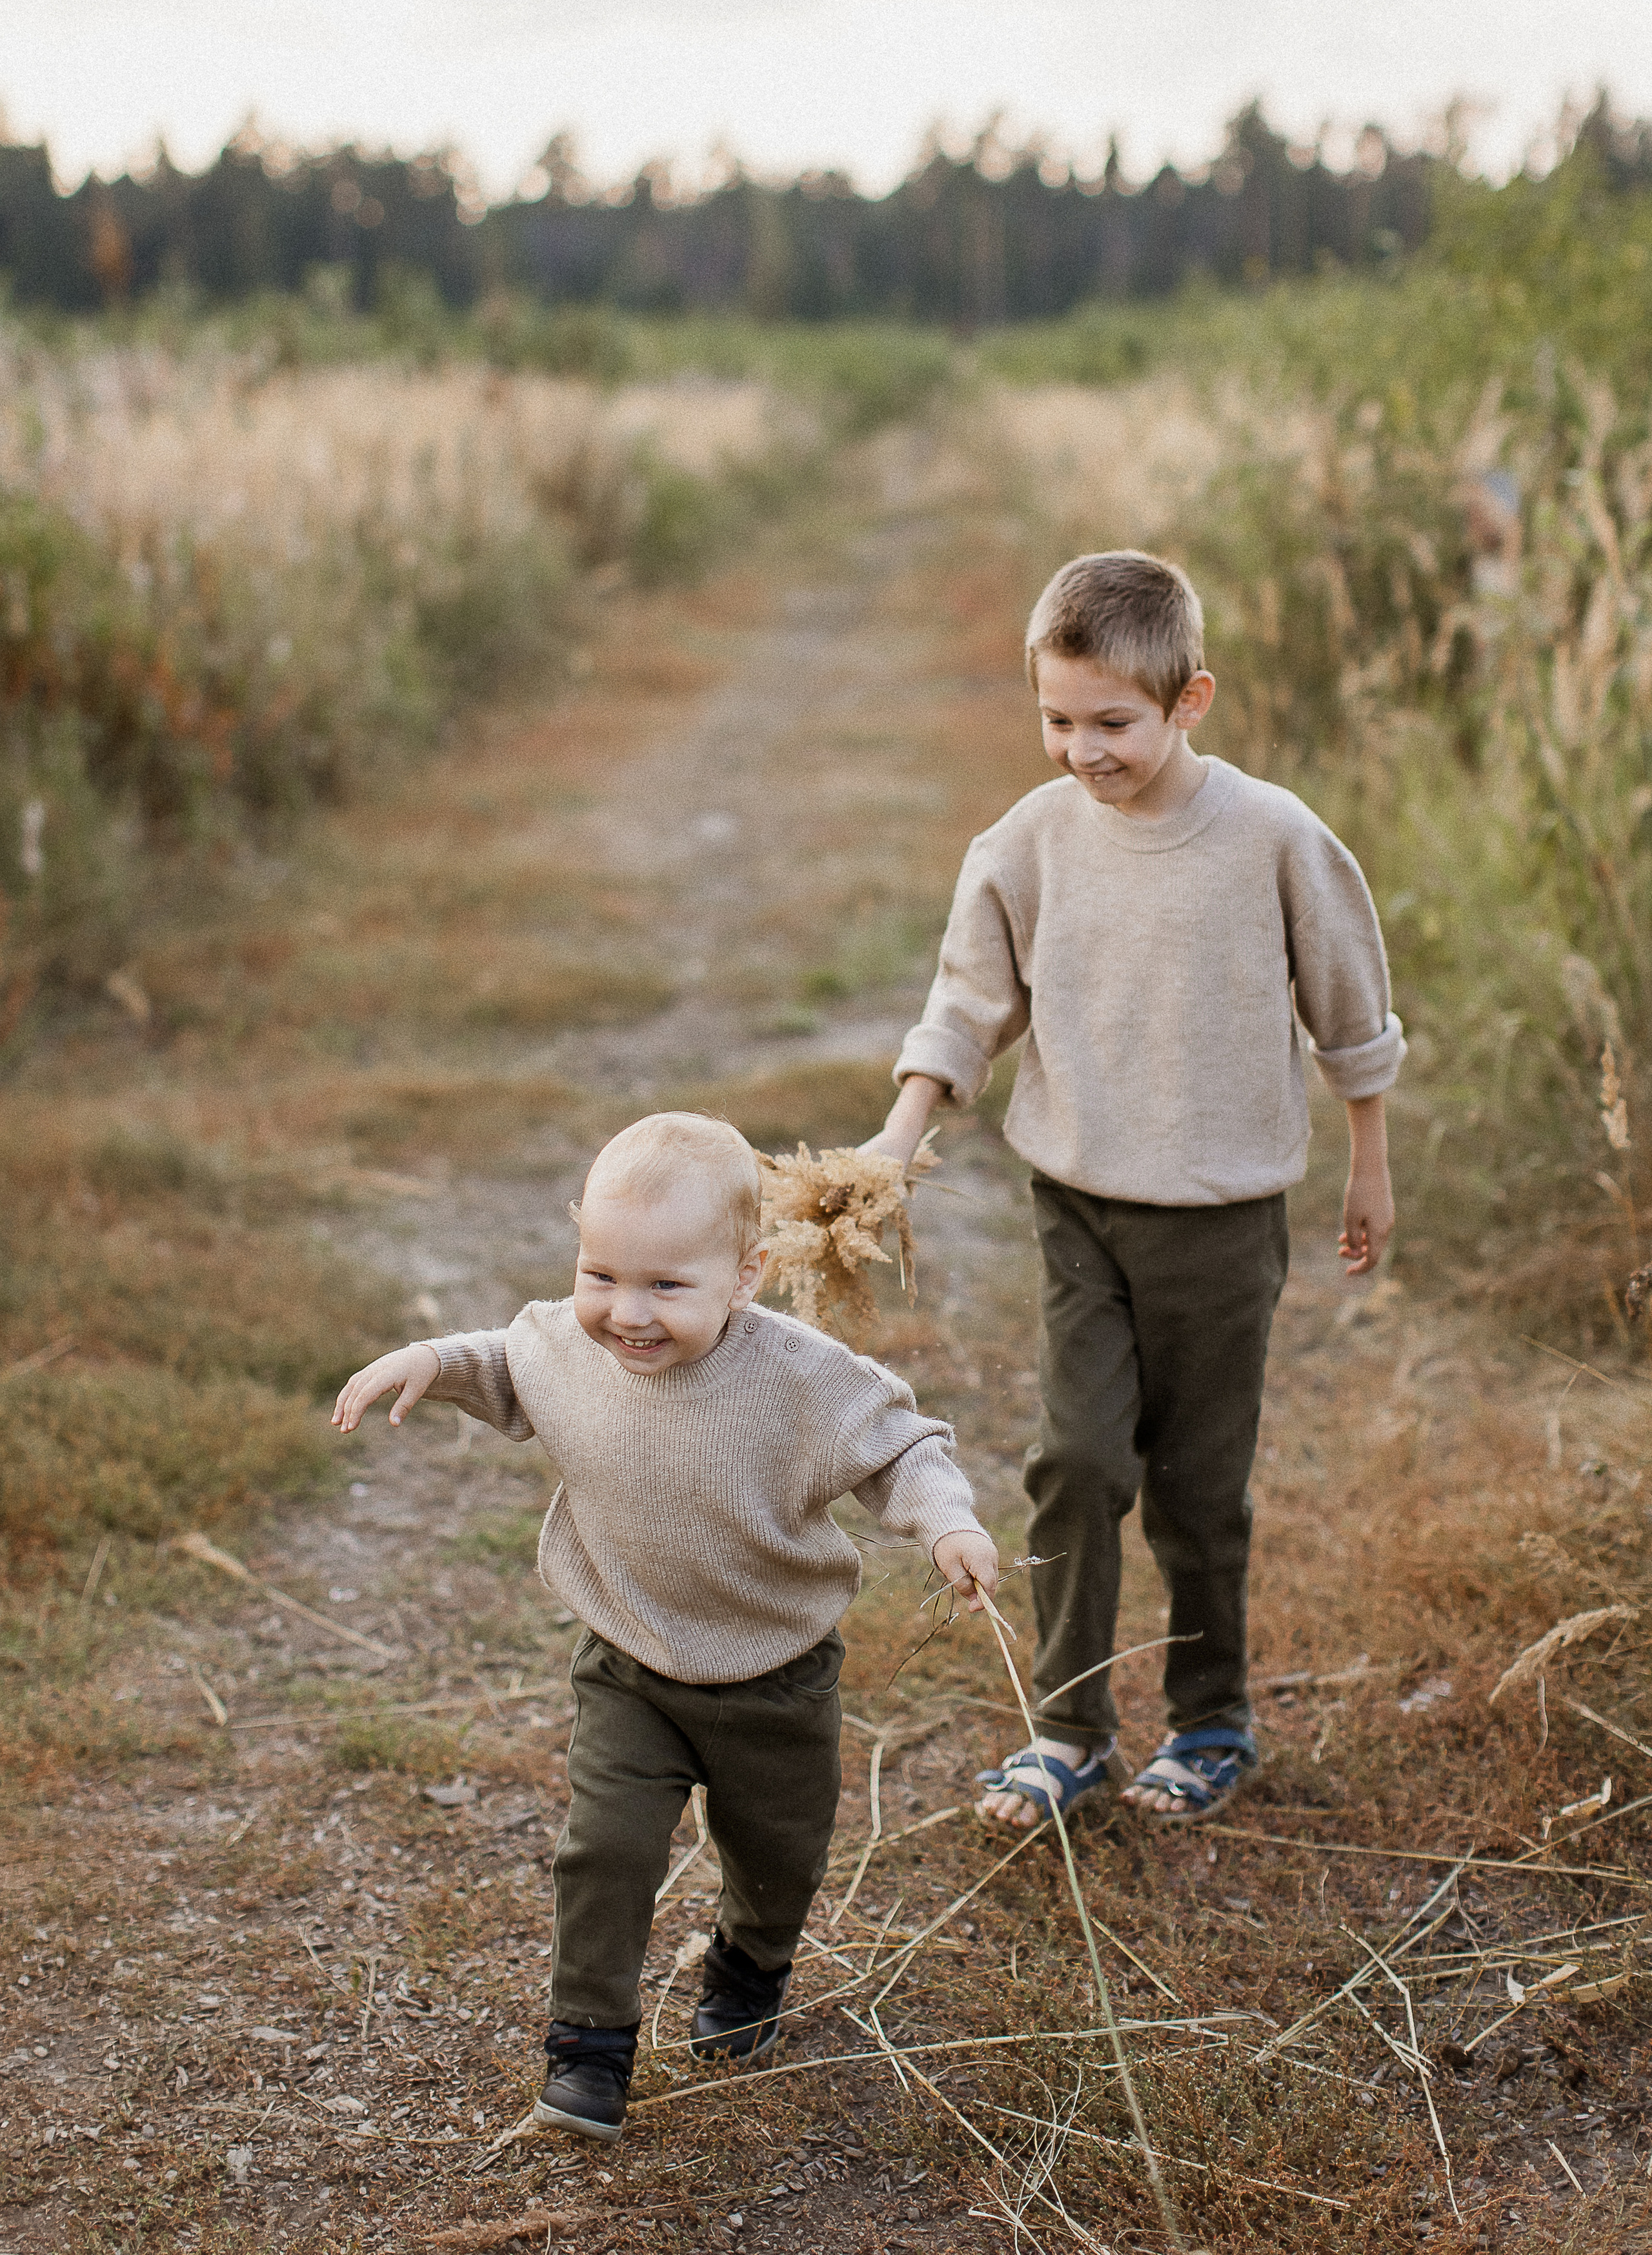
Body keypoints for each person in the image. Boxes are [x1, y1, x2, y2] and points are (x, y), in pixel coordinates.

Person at [862, 551, 1402, 1830]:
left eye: (1111, 723)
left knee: (1199, 1491)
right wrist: (897, 1137)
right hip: (1080, 1209)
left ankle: (1211, 1720)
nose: (1081, 752)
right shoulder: (1029, 842)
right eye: (1055, 721)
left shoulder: (1271, 837)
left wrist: (1368, 1164)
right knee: (1073, 1460)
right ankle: (1068, 1729)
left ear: (1188, 699)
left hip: (1219, 1220)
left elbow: (1350, 1013)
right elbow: (966, 1000)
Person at [331, 1111, 997, 2141]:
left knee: (780, 1856)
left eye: (665, 1287)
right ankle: (588, 2046)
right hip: (630, 1664)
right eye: (601, 1274)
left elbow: (901, 1449)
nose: (625, 1314)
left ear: (748, 1274)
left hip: (776, 1673)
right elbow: (505, 1360)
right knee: (603, 1850)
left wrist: (947, 1522)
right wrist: (427, 1358)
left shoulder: (803, 1379)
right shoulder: (569, 1341)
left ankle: (750, 1962)